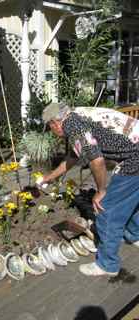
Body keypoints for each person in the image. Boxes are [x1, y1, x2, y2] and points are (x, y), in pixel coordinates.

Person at [41, 102, 139, 276]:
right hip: (135, 152)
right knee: (129, 199)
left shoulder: (73, 125)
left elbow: (97, 161)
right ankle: (135, 235)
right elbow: (72, 158)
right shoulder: (76, 116)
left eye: (50, 128)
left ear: (55, 123)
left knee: (106, 210)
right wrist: (49, 177)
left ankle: (107, 265)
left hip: (135, 159)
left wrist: (101, 191)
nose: (53, 133)